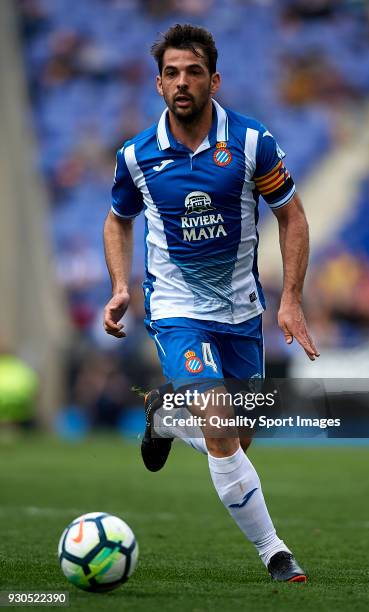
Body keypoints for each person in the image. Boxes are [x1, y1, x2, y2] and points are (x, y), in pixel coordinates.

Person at [103, 23, 319, 583]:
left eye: (193, 72)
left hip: (242, 311)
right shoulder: (137, 155)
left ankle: (166, 419)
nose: (182, 82)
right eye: (172, 72)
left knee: (238, 439)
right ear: (158, 84)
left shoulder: (251, 143)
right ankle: (275, 552)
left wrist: (291, 299)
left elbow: (291, 215)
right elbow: (117, 219)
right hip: (176, 307)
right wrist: (120, 285)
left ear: (214, 80)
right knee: (222, 428)